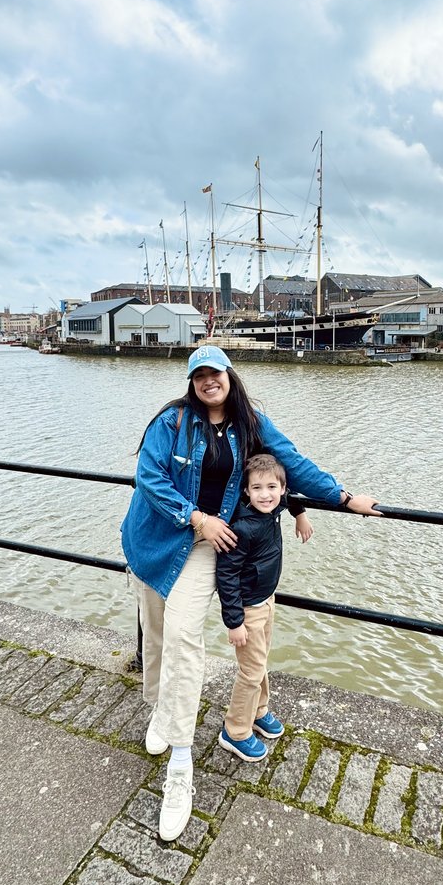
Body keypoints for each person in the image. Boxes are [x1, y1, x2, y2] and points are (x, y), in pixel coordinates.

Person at [121, 343, 380, 841]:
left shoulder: (250, 423)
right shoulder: (171, 423)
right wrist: (194, 515)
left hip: (205, 544)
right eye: (199, 375)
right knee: (153, 634)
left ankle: (181, 764)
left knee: (180, 637)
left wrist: (344, 498)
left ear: (229, 376)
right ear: (192, 382)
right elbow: (149, 477)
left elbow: (292, 465)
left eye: (215, 373)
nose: (208, 382)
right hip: (156, 538)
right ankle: (160, 708)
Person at [216, 453, 309, 763]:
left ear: (281, 489)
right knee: (251, 671)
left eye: (272, 487)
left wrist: (300, 513)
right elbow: (226, 574)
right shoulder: (243, 527)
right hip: (248, 609)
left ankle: (259, 710)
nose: (265, 494)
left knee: (260, 662)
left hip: (267, 599)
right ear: (246, 491)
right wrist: (234, 621)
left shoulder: (274, 508)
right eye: (257, 488)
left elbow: (292, 497)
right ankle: (235, 731)